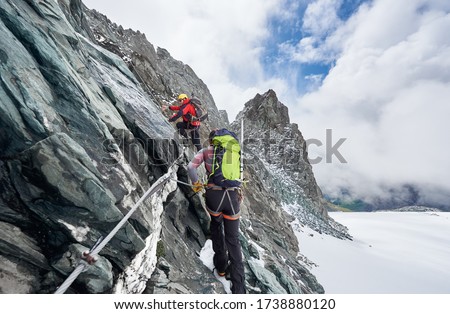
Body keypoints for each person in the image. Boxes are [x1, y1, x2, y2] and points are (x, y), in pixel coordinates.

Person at [187, 130, 246, 294]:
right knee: (233, 241)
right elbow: (240, 176)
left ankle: (220, 267)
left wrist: (196, 184)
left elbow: (191, 167)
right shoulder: (234, 152)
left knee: (216, 227)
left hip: (214, 195)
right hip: (233, 197)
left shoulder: (205, 151)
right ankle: (239, 289)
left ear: (213, 140)